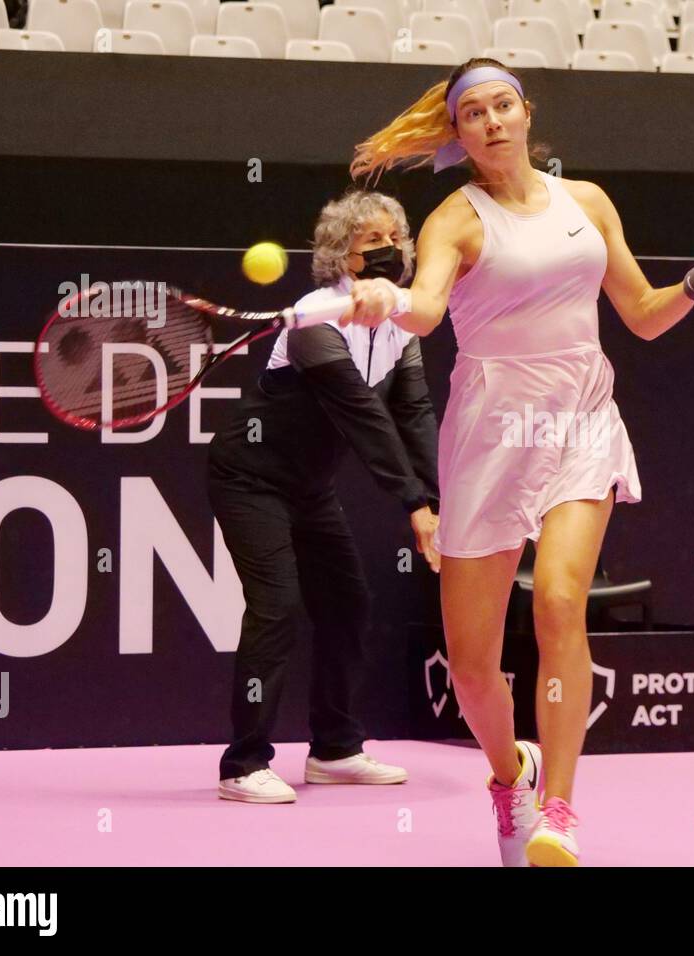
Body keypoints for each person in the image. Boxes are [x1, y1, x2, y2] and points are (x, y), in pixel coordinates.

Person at [345, 59, 694, 864]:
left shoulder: (585, 203)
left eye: (503, 105)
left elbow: (643, 317)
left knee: (558, 603)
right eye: (473, 112)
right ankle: (506, 774)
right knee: (475, 666)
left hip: (582, 419)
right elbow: (426, 310)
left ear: (526, 113)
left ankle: (558, 811)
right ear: (459, 132)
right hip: (491, 434)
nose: (491, 121)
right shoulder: (455, 217)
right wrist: (389, 300)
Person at [209, 191, 441, 804]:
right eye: (371, 240)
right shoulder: (314, 315)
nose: (388, 248)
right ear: (343, 254)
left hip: (310, 489)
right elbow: (363, 414)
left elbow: (413, 411)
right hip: (249, 478)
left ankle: (335, 748)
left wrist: (437, 499)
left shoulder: (402, 324)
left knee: (347, 604)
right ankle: (243, 764)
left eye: (395, 236)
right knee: (278, 606)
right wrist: (412, 503)